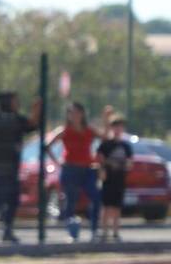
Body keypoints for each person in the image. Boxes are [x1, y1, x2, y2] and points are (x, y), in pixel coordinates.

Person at [48, 101, 101, 243]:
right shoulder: (64, 130)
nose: (75, 116)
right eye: (71, 113)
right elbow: (47, 146)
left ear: (83, 114)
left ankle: (94, 229)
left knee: (95, 197)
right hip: (70, 168)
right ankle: (72, 232)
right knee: (71, 201)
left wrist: (98, 159)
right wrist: (57, 162)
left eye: (77, 112)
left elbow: (105, 140)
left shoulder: (89, 130)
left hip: (87, 169)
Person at [0, 91, 33, 243]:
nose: (18, 103)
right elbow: (31, 125)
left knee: (8, 200)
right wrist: (36, 111)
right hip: (2, 168)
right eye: (15, 101)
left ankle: (3, 230)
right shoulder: (9, 120)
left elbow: (30, 126)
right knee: (1, 200)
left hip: (4, 168)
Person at [97, 110, 134, 243]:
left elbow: (129, 162)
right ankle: (104, 231)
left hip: (119, 179)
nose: (118, 129)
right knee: (106, 206)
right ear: (111, 128)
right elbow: (100, 159)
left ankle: (115, 232)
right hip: (108, 179)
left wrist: (124, 165)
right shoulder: (106, 144)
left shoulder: (126, 146)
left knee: (117, 207)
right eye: (115, 126)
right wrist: (102, 170)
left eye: (120, 127)